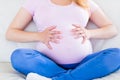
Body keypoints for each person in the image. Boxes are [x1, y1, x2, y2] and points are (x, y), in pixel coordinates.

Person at [6, 0, 120, 80]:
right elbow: (11, 33)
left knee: (117, 55)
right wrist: (39, 36)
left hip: (84, 63)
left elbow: (111, 29)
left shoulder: (86, 3)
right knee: (18, 56)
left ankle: (60, 78)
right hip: (46, 63)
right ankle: (75, 77)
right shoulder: (35, 2)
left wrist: (90, 33)